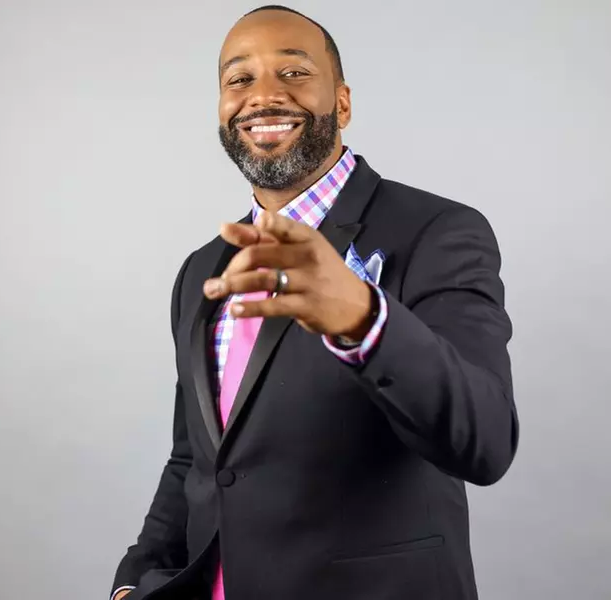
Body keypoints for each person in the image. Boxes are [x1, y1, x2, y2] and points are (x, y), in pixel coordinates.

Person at [110, 5, 519, 599]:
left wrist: (364, 319)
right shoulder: (202, 270)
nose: (262, 95)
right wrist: (134, 580)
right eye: (239, 79)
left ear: (342, 104)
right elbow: (195, 460)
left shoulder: (438, 231)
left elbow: (486, 441)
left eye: (294, 73)